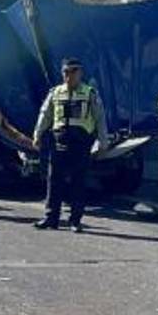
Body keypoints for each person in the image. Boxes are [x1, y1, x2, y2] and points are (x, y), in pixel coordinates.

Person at [31, 58, 108, 233]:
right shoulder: (56, 92)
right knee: (54, 181)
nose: (69, 76)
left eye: (73, 71)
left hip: (80, 143)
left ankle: (75, 220)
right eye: (66, 72)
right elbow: (45, 114)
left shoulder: (90, 93)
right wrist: (37, 134)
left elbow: (99, 118)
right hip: (59, 141)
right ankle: (51, 218)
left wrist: (103, 141)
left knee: (78, 182)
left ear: (80, 73)